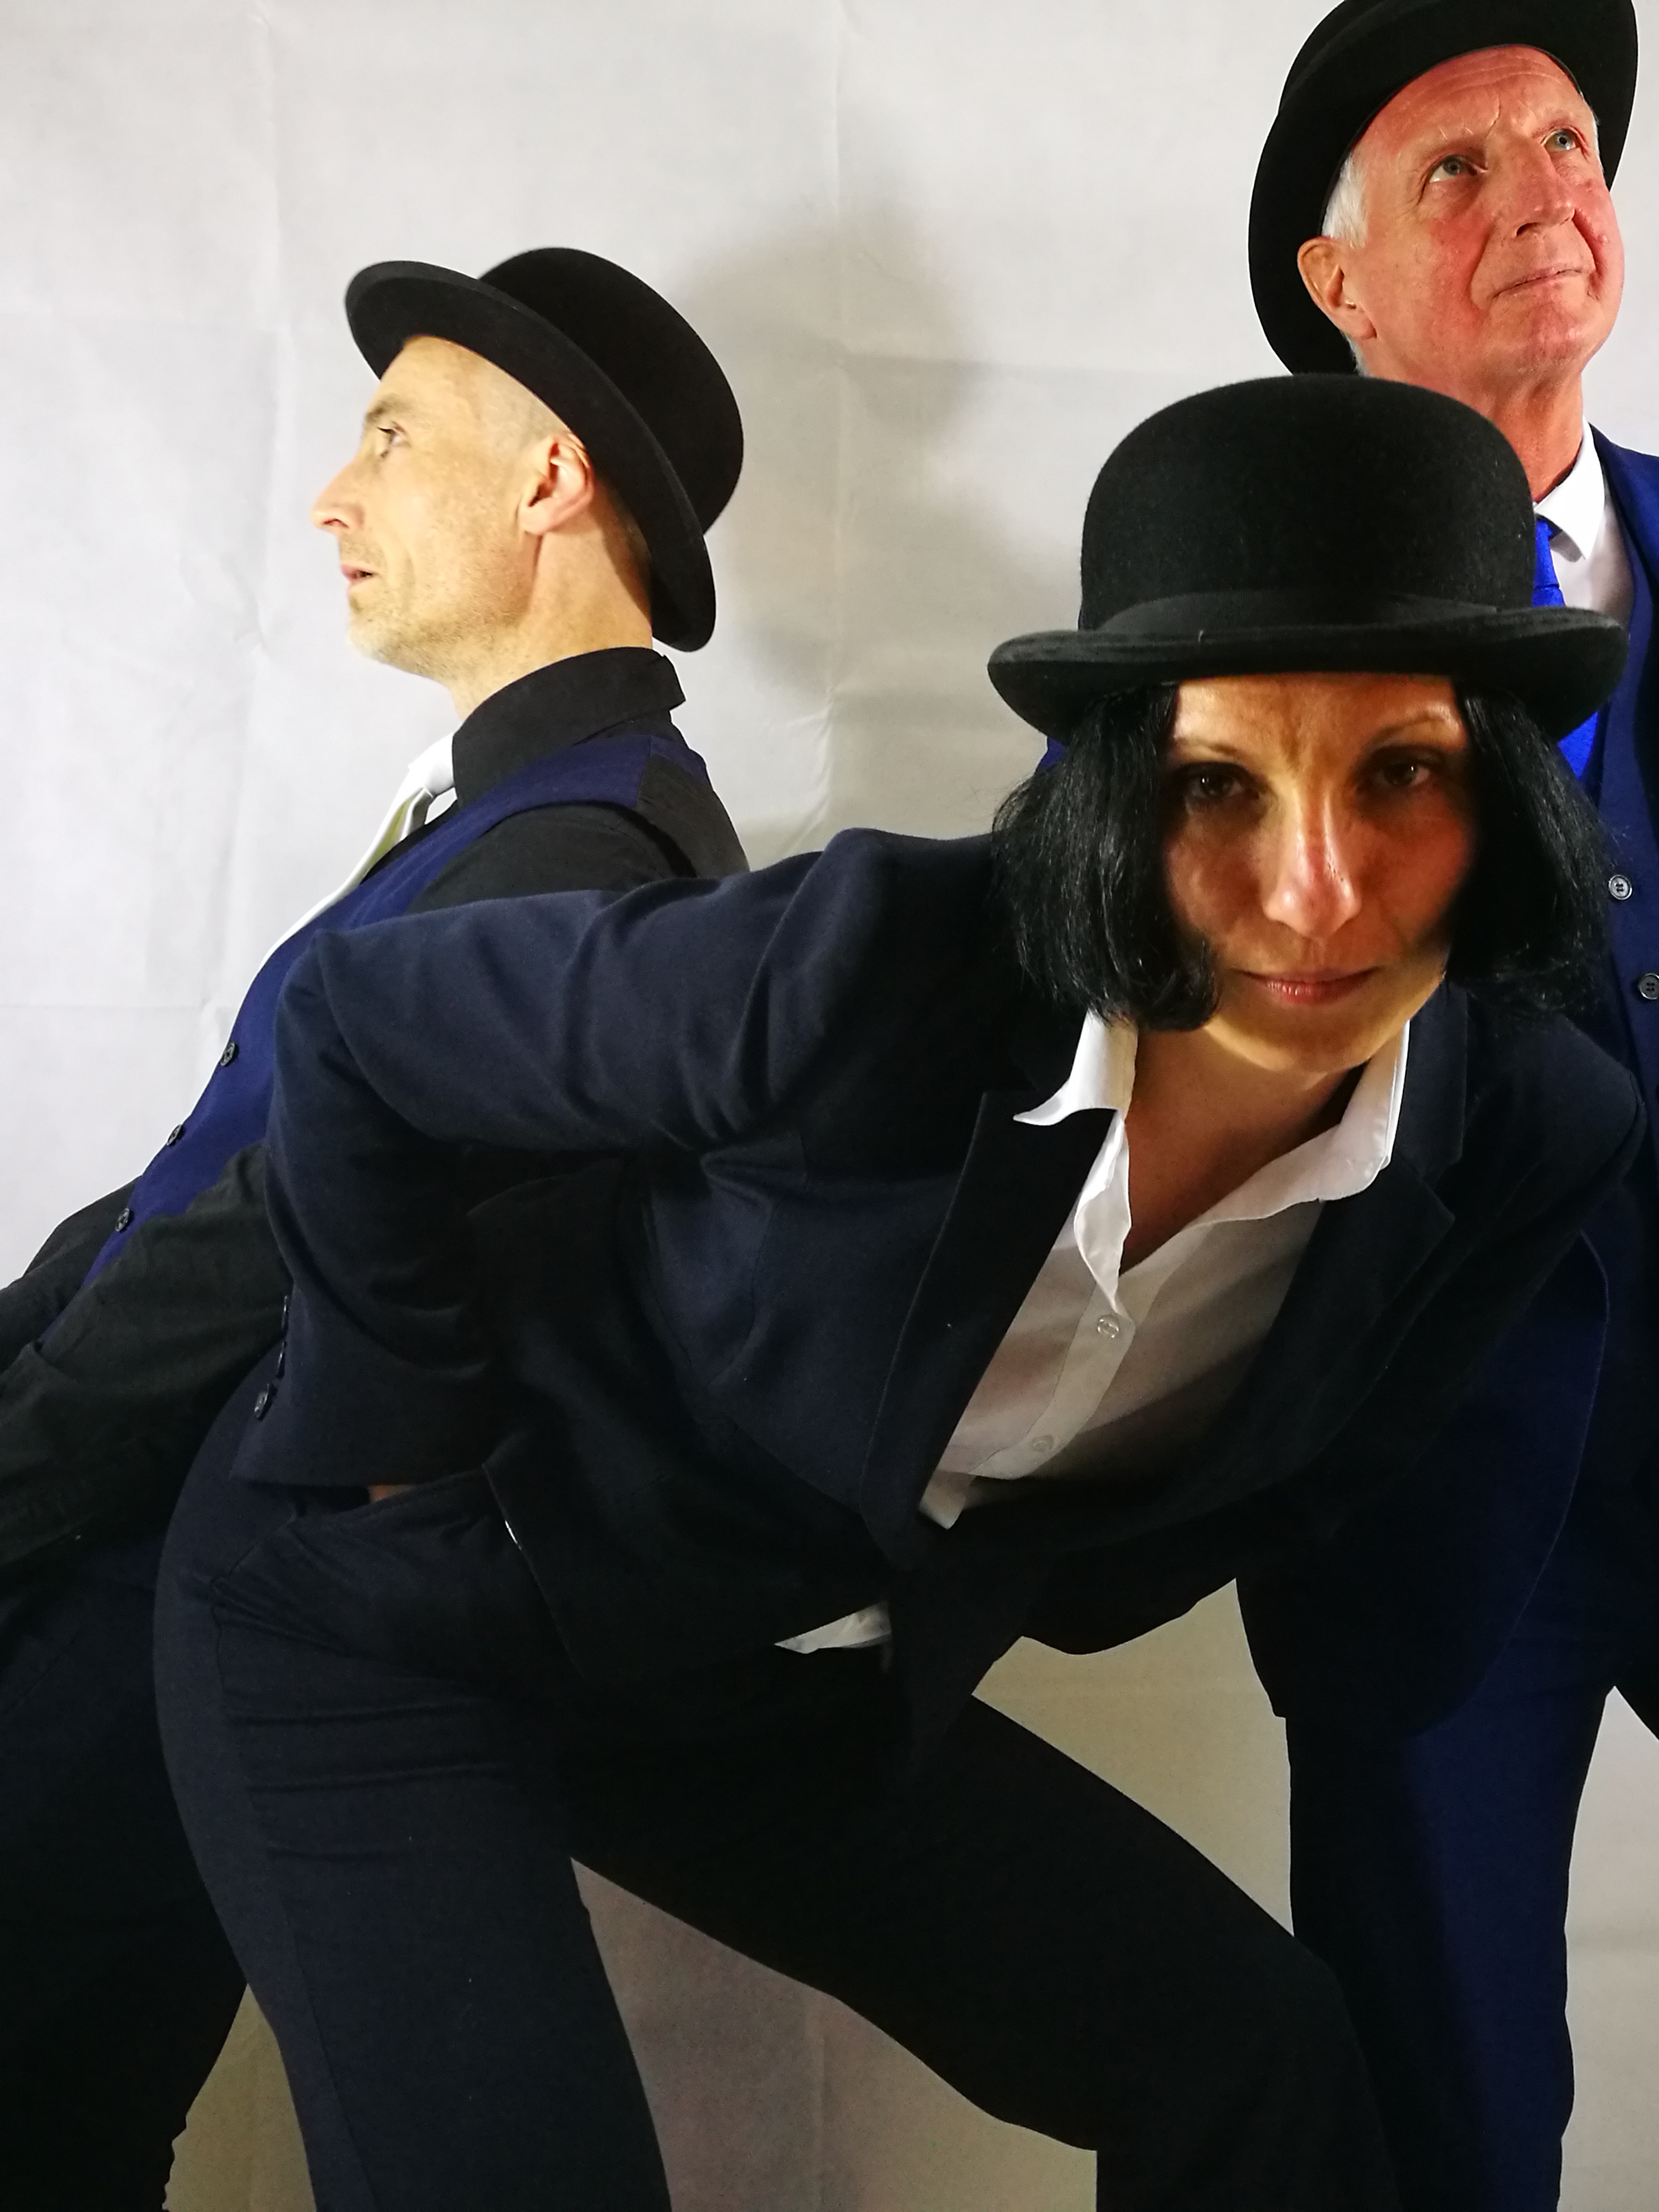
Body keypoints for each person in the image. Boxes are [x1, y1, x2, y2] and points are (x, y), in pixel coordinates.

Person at [155, 372, 1637, 2212]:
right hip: (376, 1603)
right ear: (1114, 793)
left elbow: (1325, 1467)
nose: (1319, 890)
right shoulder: (867, 968)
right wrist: (397, 1441)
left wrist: (974, 1586)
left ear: (1509, 797)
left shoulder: (1530, 1132)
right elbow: (361, 1027)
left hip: (742, 1667)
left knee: (1254, 2055)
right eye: (1215, 784)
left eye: (1402, 773)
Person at [0, 246, 747, 2210]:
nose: (337, 495)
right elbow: (209, 1177)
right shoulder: (518, 820)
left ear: (550, 481)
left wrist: (12, 1475)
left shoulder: (584, 852)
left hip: (171, 1588)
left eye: (393, 437)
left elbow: (267, 1244)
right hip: (134, 1568)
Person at [1241, 6, 1658, 2206]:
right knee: (1449, 2140)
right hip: (1432, 1505)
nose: (1546, 197)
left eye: (1570, 142)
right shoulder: (1231, 610)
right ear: (1342, 284)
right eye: (1458, 170)